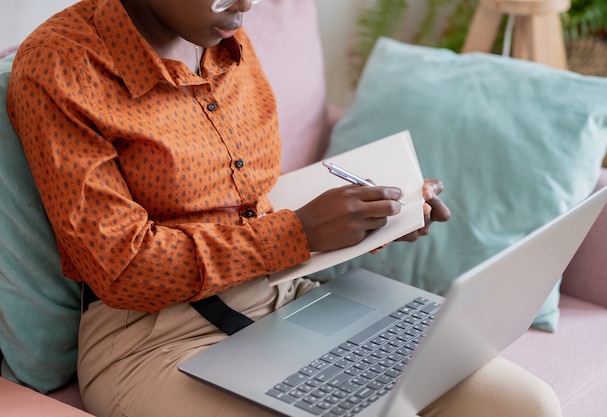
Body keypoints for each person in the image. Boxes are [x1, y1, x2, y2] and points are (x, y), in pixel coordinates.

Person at [6, 0, 562, 416]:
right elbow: (123, 270)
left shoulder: (222, 33)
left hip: (288, 297)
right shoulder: (60, 66)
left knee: (527, 404)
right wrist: (299, 233)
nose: (247, 4)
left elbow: (253, 200)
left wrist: (367, 215)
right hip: (154, 338)